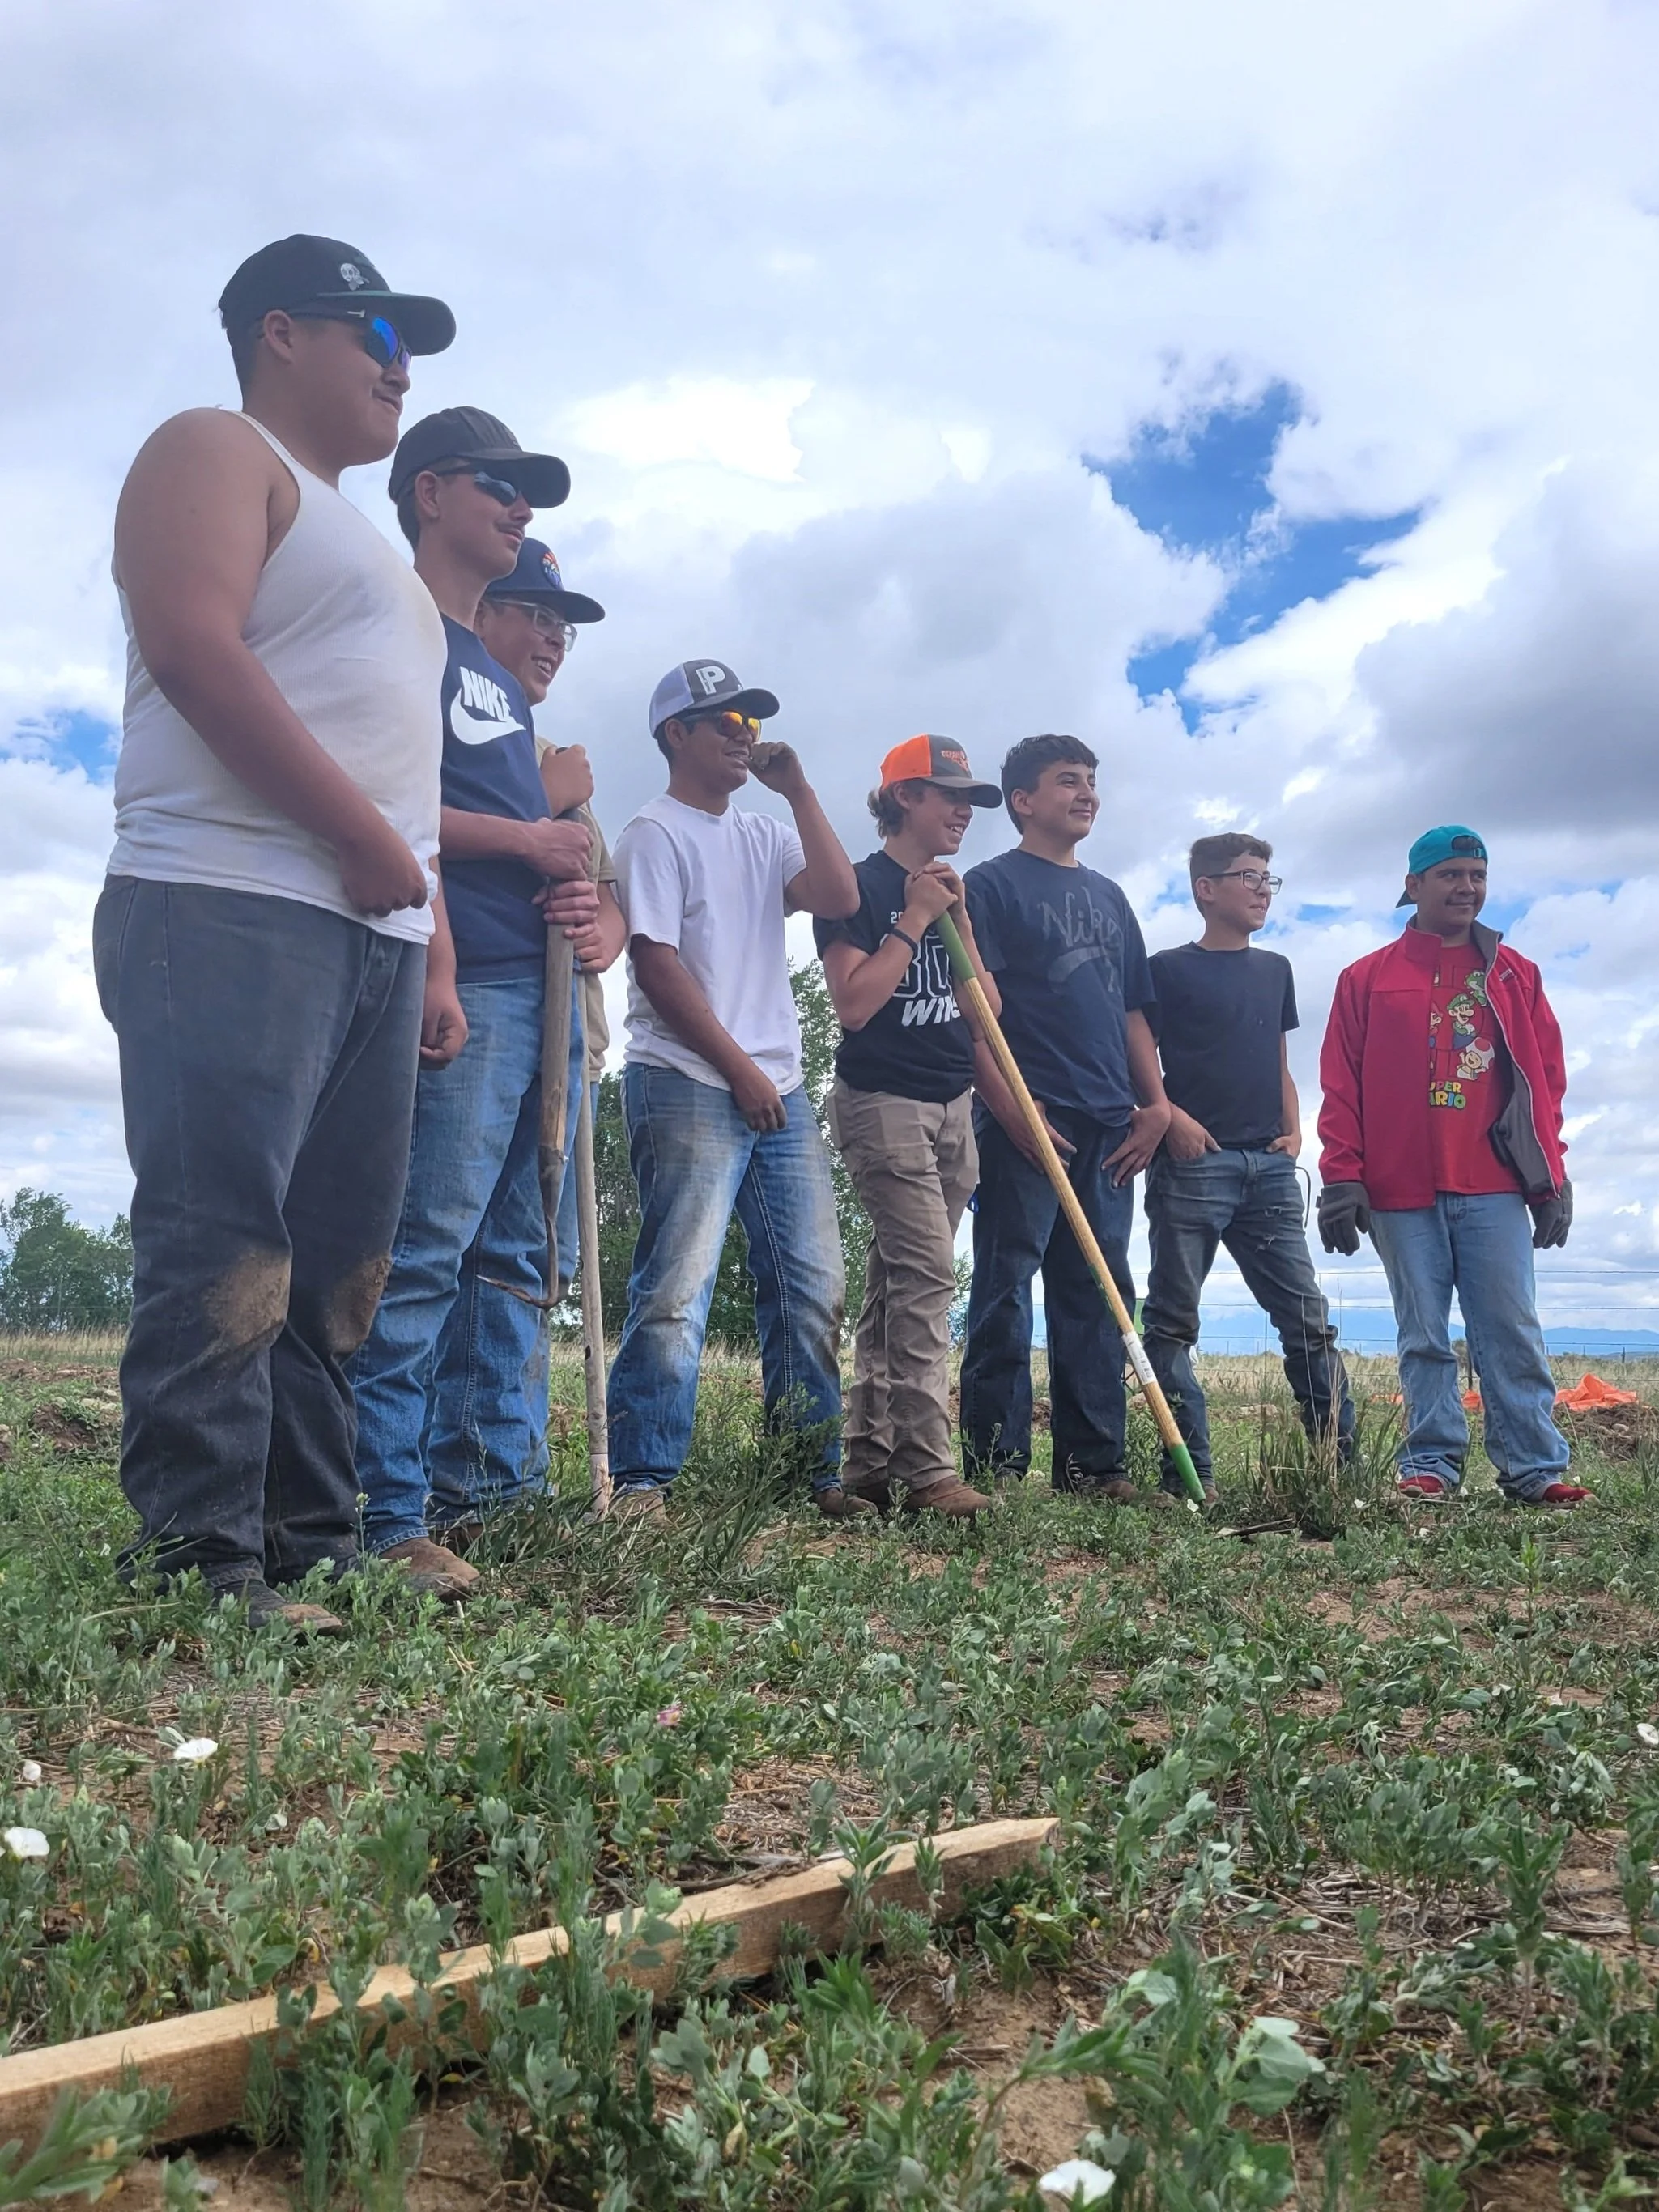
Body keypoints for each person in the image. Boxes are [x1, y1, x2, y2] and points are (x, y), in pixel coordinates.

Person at [98, 235, 456, 1631]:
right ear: (282, 332)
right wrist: (362, 842)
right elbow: (193, 646)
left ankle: (307, 1536)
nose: (400, 364)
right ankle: (196, 1561)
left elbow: (404, 779)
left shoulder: (363, 537)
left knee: (336, 1261)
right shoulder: (210, 444)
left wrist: (420, 934)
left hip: (363, 937)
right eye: (375, 333)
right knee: (222, 1231)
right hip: (224, 901)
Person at [350, 410, 601, 1593]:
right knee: (425, 1250)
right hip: (466, 988)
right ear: (430, 491)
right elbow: (387, 803)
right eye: (500, 486)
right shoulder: (402, 630)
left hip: (532, 988)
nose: (521, 508)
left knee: (511, 1254)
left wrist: (576, 896)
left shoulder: (492, 678)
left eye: (529, 492)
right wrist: (528, 843)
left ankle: (484, 1492)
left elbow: (537, 854)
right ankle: (378, 1510)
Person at [606, 662, 864, 1519]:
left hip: (777, 1087)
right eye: (722, 721)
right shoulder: (653, 831)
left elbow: (838, 894)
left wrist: (798, 791)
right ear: (674, 735)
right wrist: (741, 1070)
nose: (743, 733)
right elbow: (655, 962)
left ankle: (810, 1471)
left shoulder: (763, 831)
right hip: (688, 1080)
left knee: (810, 1284)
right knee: (678, 1286)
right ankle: (645, 1476)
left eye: (749, 720)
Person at [1317, 825, 1586, 1508]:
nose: (1466, 887)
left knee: (1509, 1328)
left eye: (1476, 875)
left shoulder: (1513, 973)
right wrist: (1342, 1176)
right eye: (1449, 875)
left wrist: (1549, 1177)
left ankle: (1533, 1468)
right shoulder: (1366, 978)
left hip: (1494, 1183)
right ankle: (1431, 1464)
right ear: (1414, 887)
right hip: (1399, 1186)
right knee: (1423, 1335)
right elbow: (1340, 1085)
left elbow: (1544, 1082)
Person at [960, 734, 1172, 1500]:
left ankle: (1093, 1467)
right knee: (1006, 1287)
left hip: (1111, 1123)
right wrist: (1007, 1107)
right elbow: (973, 1016)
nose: (1085, 794)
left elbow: (1133, 1011)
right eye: (1065, 782)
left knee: (1099, 1289)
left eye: (1090, 781)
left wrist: (1154, 1104)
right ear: (1022, 801)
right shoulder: (989, 887)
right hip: (1030, 1119)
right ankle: (996, 1467)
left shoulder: (1112, 897)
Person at [815, 736, 1004, 1521]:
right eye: (946, 792)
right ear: (901, 797)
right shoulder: (856, 885)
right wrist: (914, 919)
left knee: (899, 1281)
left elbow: (986, 1011)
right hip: (881, 1099)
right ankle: (929, 1469)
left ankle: (868, 1459)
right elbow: (853, 1004)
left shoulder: (958, 891)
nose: (963, 809)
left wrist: (952, 917)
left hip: (953, 1102)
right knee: (928, 1274)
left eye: (970, 797)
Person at [1141, 833, 1355, 1502]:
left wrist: (1293, 1128)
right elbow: (1135, 1053)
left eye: (1268, 878)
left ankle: (1335, 1470)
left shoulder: (1276, 969)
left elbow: (1277, 1060)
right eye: (1247, 877)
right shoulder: (1166, 969)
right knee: (1172, 1323)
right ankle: (1188, 1477)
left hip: (1267, 1167)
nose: (1263, 889)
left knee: (1307, 1322)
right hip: (1193, 1163)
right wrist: (1168, 1116)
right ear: (1205, 889)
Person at [476, 538, 619, 1304]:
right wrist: (542, 793)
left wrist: (599, 930)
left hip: (568, 1047)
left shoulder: (554, 751)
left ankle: (508, 1429)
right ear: (480, 612)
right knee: (459, 1251)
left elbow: (606, 897)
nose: (555, 638)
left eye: (564, 625)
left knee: (541, 1262)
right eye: (537, 615)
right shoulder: (452, 733)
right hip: (476, 1034)